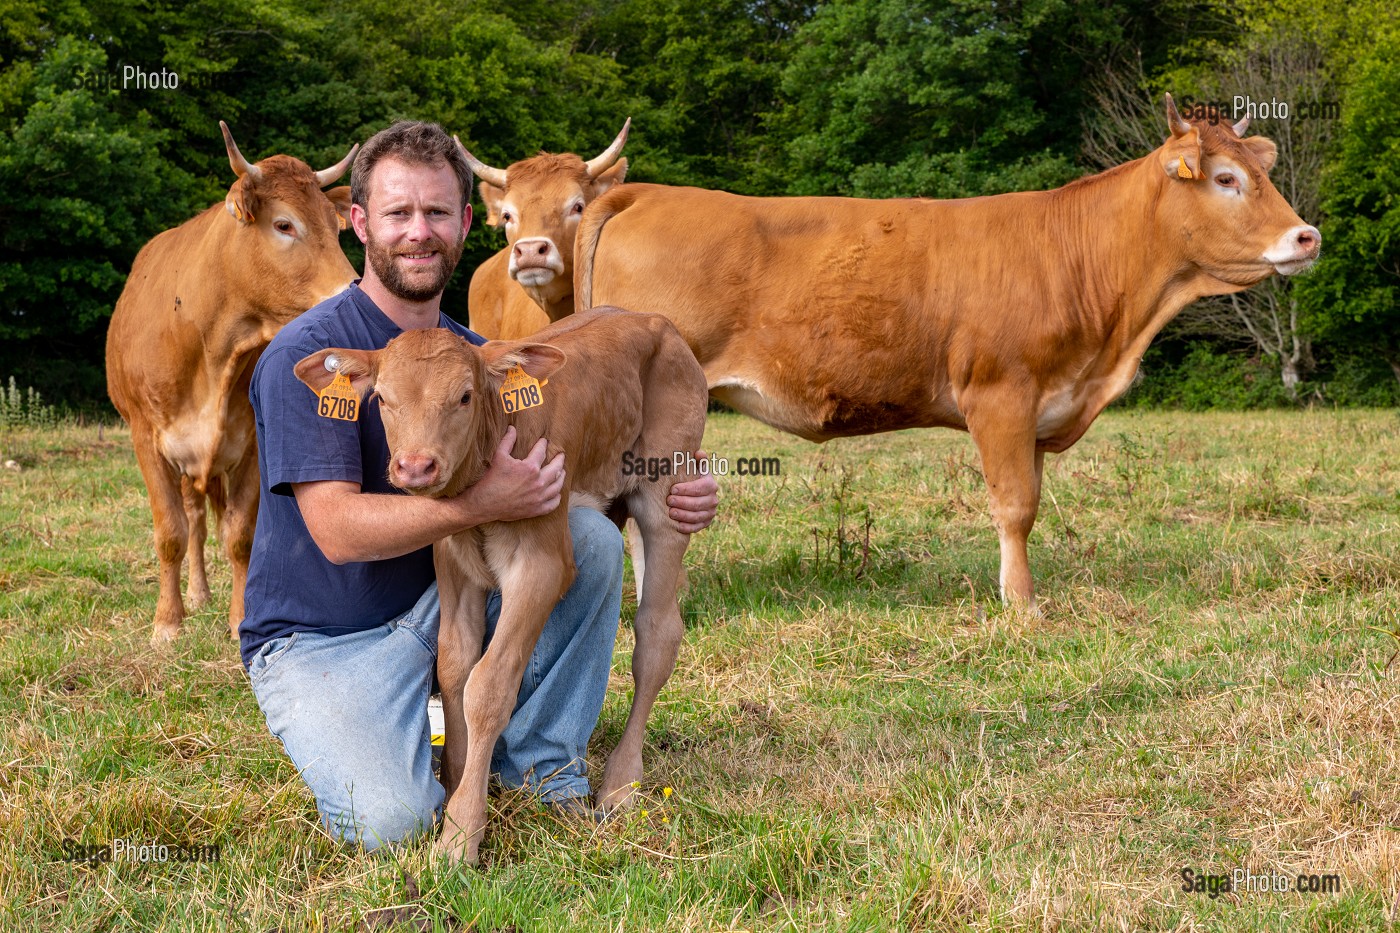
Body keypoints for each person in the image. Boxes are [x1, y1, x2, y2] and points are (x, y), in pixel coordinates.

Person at [238, 120, 719, 851]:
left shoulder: (473, 358)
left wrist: (662, 480)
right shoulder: (311, 356)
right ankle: (430, 738)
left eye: (437, 213)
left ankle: (539, 767)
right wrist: (482, 502)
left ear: (467, 224)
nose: (419, 232)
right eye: (398, 213)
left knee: (584, 538)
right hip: (327, 636)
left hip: (439, 599)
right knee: (394, 822)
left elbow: (572, 453)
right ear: (358, 223)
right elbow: (334, 531)